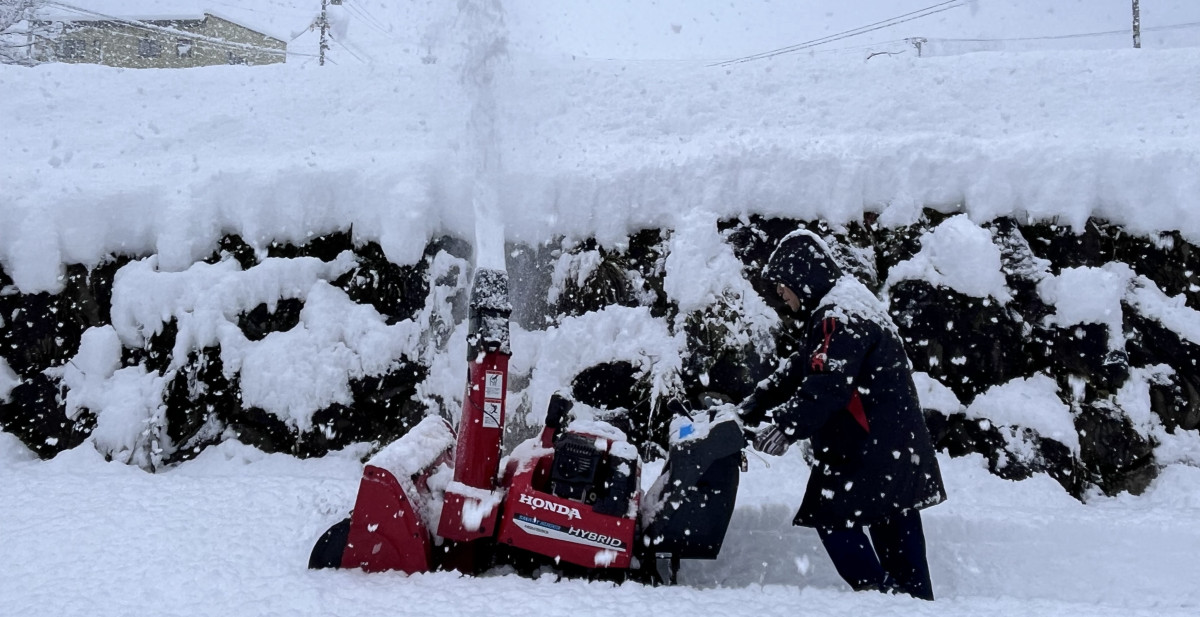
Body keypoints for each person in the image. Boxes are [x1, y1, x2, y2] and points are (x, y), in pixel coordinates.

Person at [738, 229, 946, 601]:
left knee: (833, 517)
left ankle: (881, 599)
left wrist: (785, 427)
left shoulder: (838, 316)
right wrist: (753, 404)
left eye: (783, 287)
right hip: (895, 447)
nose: (782, 297)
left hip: (867, 451)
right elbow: (804, 366)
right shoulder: (849, 304)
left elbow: (828, 384)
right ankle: (912, 604)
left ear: (801, 277)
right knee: (895, 527)